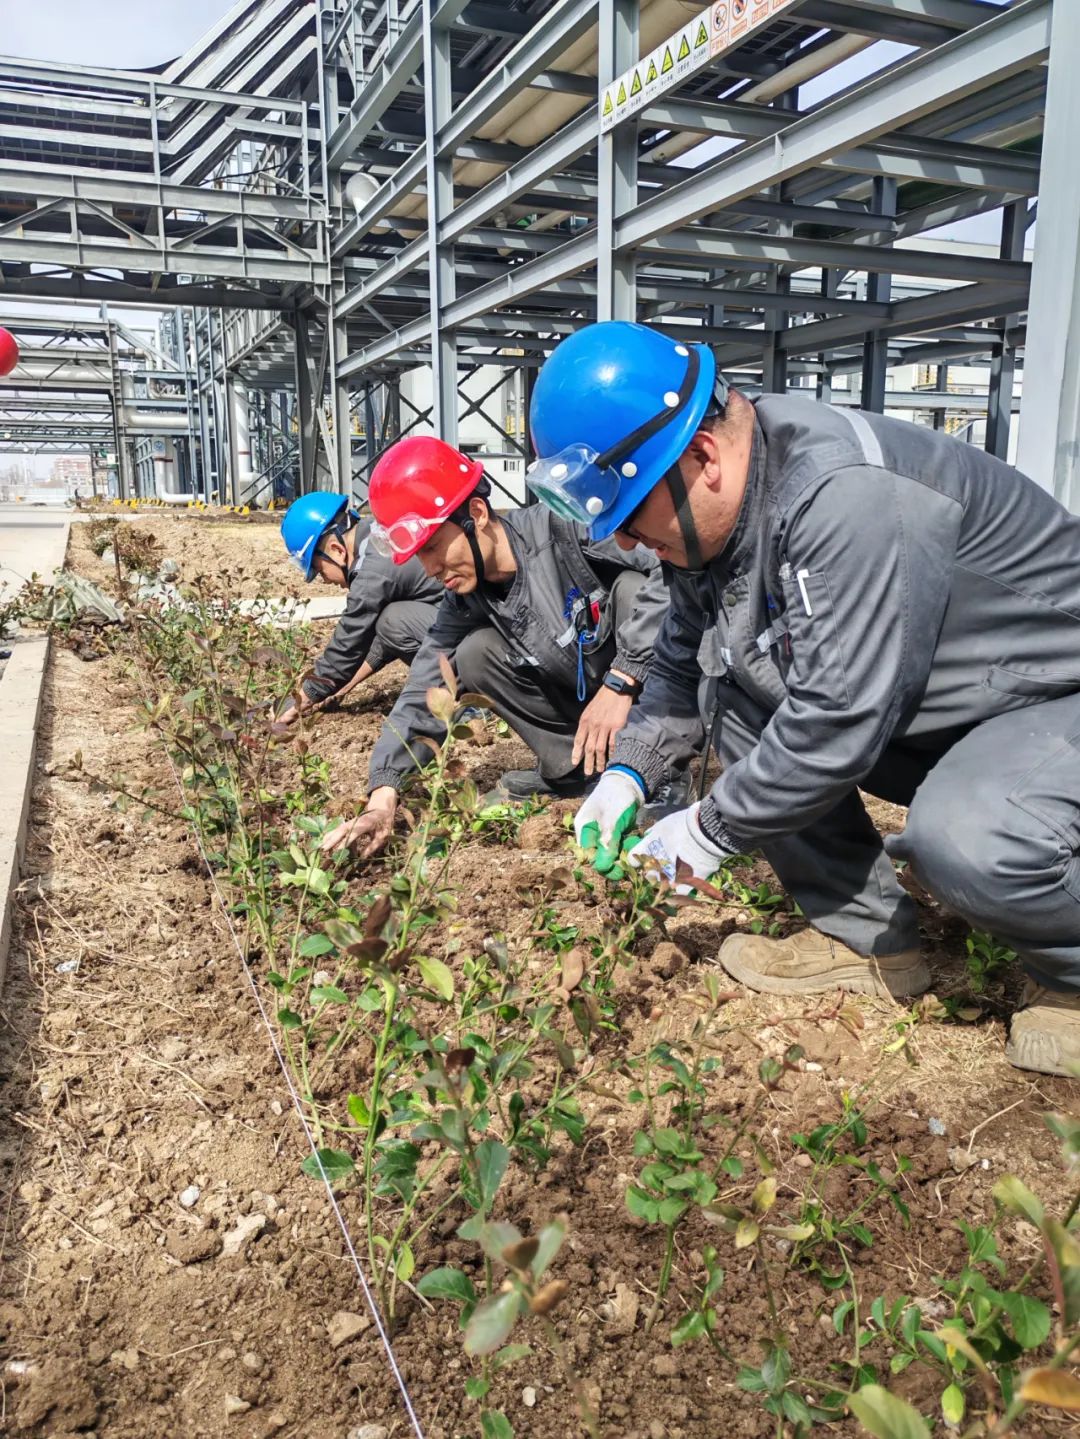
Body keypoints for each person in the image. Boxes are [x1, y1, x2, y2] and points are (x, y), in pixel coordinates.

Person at [524, 318, 1080, 1078]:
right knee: (739, 684)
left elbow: (839, 718)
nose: (624, 545)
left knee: (967, 832)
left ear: (702, 456)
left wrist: (709, 830)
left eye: (631, 518)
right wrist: (630, 768)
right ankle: (865, 938)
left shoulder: (840, 496)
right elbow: (686, 661)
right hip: (963, 700)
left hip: (1055, 695)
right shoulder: (715, 512)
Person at [320, 435, 674, 860]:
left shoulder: (565, 528)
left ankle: (661, 771)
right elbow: (423, 688)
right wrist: (383, 794)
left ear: (477, 512)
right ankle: (580, 771)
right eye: (420, 557)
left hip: (645, 696)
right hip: (586, 701)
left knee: (635, 591)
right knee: (473, 654)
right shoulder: (466, 600)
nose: (431, 569)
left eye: (433, 547)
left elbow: (671, 572)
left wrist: (623, 678)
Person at [279, 491, 443, 722]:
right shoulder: (377, 536)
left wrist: (303, 699)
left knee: (392, 620)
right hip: (466, 621)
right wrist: (343, 687)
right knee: (391, 620)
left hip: (472, 632)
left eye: (319, 570)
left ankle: (464, 696)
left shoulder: (371, 574)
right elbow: (383, 640)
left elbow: (349, 643)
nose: (325, 580)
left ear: (337, 550)